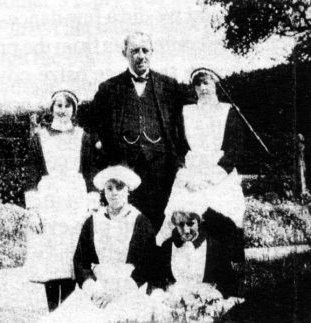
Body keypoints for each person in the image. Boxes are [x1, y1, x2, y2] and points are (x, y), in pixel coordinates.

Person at [90, 31, 189, 233]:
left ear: (152, 52)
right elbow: (91, 124)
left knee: (162, 225)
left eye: (145, 50)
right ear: (124, 53)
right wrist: (100, 144)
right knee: (130, 226)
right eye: (135, 51)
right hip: (125, 169)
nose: (141, 55)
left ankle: (162, 264)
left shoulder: (168, 86)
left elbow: (187, 121)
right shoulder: (109, 88)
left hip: (162, 169)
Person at [40, 165, 156, 322]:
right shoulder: (93, 221)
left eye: (119, 187)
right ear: (104, 192)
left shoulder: (140, 222)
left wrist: (117, 292)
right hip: (98, 289)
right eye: (109, 188)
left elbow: (147, 265)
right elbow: (80, 262)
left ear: (128, 190)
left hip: (128, 289)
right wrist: (94, 290)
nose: (114, 192)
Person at [157, 67, 246, 263]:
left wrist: (211, 178)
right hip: (191, 173)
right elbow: (177, 147)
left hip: (220, 175)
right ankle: (180, 268)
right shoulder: (186, 112)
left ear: (216, 85)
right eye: (198, 84)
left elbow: (235, 149)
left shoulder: (228, 111)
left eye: (207, 83)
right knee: (181, 214)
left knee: (223, 215)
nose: (203, 88)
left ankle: (224, 272)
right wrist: (186, 177)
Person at [24, 90, 99, 312]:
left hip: (74, 202)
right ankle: (52, 312)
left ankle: (66, 314)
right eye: (59, 105)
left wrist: (91, 204)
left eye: (67, 106)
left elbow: (89, 171)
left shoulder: (83, 136)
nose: (63, 110)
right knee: (52, 261)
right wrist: (33, 210)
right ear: (52, 109)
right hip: (49, 202)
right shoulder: (40, 137)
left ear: (74, 110)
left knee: (70, 259)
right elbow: (32, 174)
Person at [157, 200, 240, 298]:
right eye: (181, 225)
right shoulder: (167, 247)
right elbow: (159, 282)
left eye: (190, 224)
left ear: (199, 222)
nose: (186, 230)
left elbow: (228, 284)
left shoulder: (214, 247)